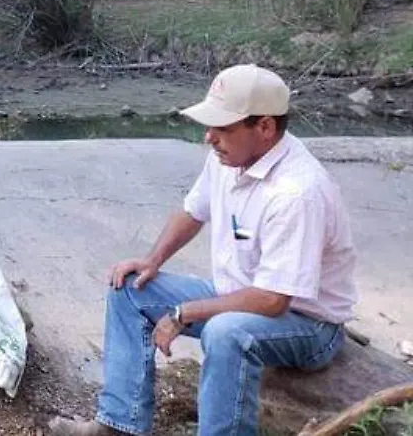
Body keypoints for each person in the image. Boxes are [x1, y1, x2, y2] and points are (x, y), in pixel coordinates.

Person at [49, 64, 357, 436]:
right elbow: (193, 211)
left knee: (226, 333)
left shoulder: (297, 193)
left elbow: (273, 301)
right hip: (238, 294)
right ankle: (120, 425)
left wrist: (185, 312)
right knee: (129, 288)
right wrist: (152, 260)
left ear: (264, 127)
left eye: (223, 128)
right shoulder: (230, 157)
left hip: (307, 323)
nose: (208, 138)